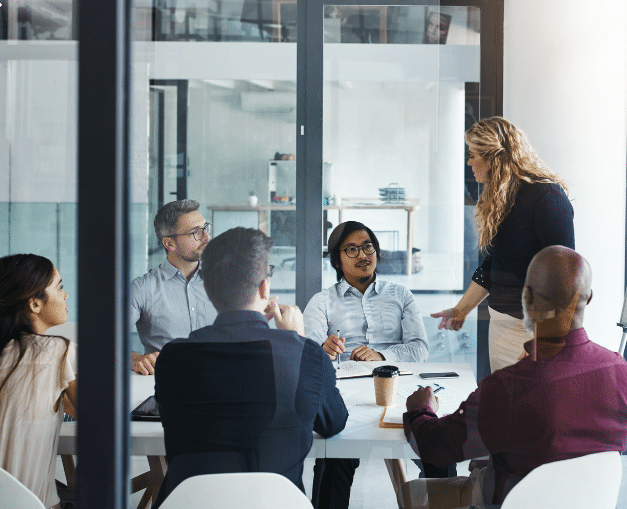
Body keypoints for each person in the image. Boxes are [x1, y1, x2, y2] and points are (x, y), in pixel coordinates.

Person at [402, 247, 627, 509]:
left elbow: (434, 448)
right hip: (587, 501)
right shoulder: (619, 371)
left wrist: (420, 409)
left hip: (508, 501)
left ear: (526, 298)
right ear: (589, 298)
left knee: (412, 494)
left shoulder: (510, 386)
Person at [152, 227, 347, 505]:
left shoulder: (172, 358)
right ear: (264, 287)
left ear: (206, 288)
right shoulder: (304, 354)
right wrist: (299, 339)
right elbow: (334, 422)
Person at [303, 221, 431, 509]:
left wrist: (382, 357)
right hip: (347, 398)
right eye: (351, 249)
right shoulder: (322, 301)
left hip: (401, 391)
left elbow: (420, 349)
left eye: (368, 246)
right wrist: (324, 350)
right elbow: (308, 358)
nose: (363, 254)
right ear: (337, 260)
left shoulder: (400, 295)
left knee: (436, 447)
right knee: (334, 455)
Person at [432, 117, 575, 372]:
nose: (468, 162)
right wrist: (460, 310)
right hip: (501, 324)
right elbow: (496, 264)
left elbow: (564, 278)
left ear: (494, 159)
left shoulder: (547, 197)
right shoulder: (501, 198)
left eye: (473, 155)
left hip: (533, 333)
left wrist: (545, 341)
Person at [0, 254, 77, 509]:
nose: (65, 296)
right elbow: (101, 421)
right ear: (34, 304)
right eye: (59, 287)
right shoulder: (58, 352)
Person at [130, 199, 217, 375]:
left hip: (222, 384)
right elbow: (106, 342)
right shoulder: (142, 289)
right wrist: (135, 359)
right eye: (196, 233)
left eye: (205, 228)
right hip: (169, 388)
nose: (207, 237)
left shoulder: (225, 280)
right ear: (169, 244)